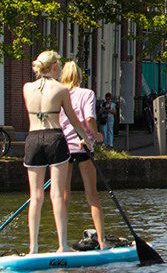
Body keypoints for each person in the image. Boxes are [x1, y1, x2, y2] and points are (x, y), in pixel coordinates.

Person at [23, 50, 91, 255]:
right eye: (59, 65)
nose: (60, 68)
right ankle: (63, 246)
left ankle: (33, 248)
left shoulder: (27, 88)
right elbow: (73, 119)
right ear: (53, 66)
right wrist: (85, 138)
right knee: (57, 195)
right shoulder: (61, 89)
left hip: (33, 138)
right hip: (54, 138)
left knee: (35, 196)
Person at [59, 61, 106, 250]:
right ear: (79, 76)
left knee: (62, 196)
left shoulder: (58, 94)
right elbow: (89, 118)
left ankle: (61, 244)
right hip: (83, 147)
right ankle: (101, 241)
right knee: (92, 194)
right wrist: (96, 136)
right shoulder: (87, 94)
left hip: (62, 148)